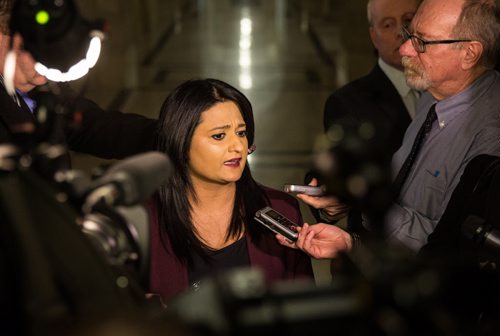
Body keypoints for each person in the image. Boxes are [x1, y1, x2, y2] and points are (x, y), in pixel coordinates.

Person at [278, 0, 500, 256]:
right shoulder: (432, 96)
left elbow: (448, 248)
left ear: (469, 53)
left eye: (422, 42)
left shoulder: (490, 140)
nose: (404, 48)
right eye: (409, 34)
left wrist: (364, 201)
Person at [147, 78, 314, 301]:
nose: (237, 147)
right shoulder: (145, 220)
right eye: (219, 136)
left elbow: (303, 309)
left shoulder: (282, 208)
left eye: (242, 133)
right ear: (181, 142)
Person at [306, 0, 419, 224]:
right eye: (387, 25)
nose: (401, 32)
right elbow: (333, 170)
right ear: (373, 35)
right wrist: (330, 200)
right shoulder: (348, 102)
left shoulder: (446, 88)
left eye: (408, 21)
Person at [0, 0, 157, 159]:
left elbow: (92, 125)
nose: (51, 55)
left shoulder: (45, 85)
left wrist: (171, 138)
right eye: (31, 40)